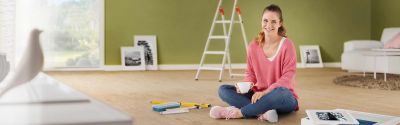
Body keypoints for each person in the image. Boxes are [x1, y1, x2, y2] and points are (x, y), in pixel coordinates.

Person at [209, 4, 299, 122]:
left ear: (280, 23)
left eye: (273, 21)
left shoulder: (287, 45)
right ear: (261, 21)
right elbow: (250, 74)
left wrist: (265, 92)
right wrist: (244, 85)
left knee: (282, 92)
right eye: (265, 21)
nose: (268, 25)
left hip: (282, 98)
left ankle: (240, 112)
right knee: (223, 90)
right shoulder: (253, 46)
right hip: (257, 96)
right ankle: (263, 112)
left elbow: (287, 78)